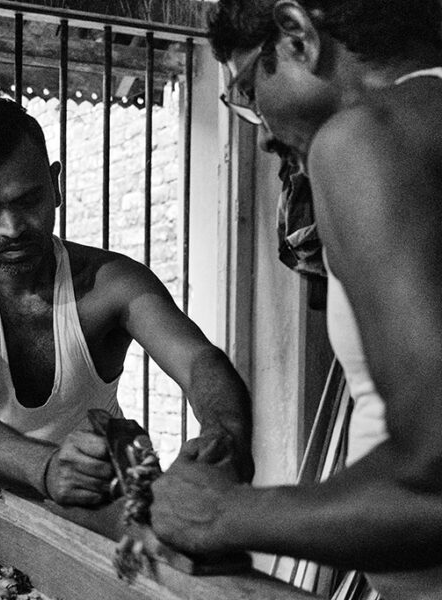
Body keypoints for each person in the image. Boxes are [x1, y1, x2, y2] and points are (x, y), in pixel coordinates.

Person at [151, 0, 442, 597]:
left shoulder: (365, 138)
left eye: (246, 92)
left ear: (295, 34)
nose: (257, 135)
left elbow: (436, 468)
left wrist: (221, 514)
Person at [0, 96, 254, 508]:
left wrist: (223, 435)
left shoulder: (111, 283)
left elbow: (198, 362)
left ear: (55, 185)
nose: (11, 228)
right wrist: (46, 469)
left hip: (105, 507)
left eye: (27, 201)